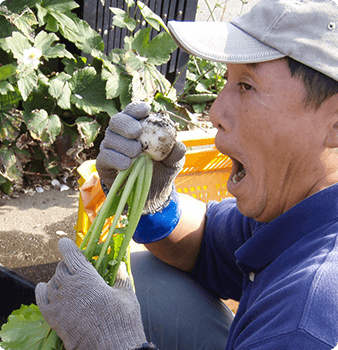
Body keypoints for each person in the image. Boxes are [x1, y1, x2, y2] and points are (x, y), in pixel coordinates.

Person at [35, 0, 338, 349]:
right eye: (228, 80)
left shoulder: (305, 325)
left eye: (247, 86)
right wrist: (149, 200)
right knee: (145, 276)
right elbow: (208, 244)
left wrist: (115, 343)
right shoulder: (298, 203)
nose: (215, 113)